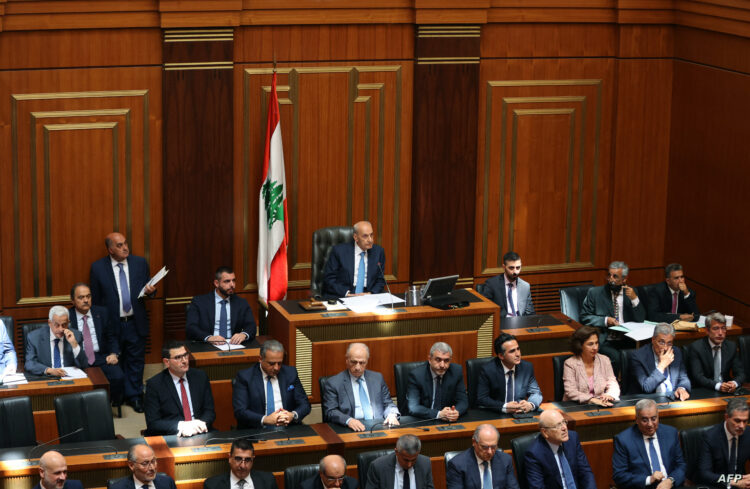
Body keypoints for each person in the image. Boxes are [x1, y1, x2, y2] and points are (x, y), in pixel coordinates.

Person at [90, 232, 155, 413]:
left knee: (136, 361)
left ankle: (134, 396)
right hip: (112, 324)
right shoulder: (98, 268)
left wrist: (151, 291)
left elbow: (148, 288)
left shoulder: (140, 263)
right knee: (115, 361)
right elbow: (95, 300)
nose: (125, 247)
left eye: (125, 243)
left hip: (135, 321)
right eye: (119, 245)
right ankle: (117, 397)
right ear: (110, 249)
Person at [580, 261, 645, 371]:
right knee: (616, 357)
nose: (611, 279)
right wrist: (605, 320)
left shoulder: (631, 293)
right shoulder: (595, 293)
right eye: (609, 275)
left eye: (615, 277)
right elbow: (584, 317)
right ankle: (613, 386)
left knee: (641, 356)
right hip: (605, 340)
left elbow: (640, 318)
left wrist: (635, 299)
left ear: (624, 279)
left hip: (628, 339)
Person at [67, 283, 125, 405]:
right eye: (81, 297)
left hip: (100, 357)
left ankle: (106, 404)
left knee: (118, 376)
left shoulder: (102, 312)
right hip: (78, 358)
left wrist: (114, 353)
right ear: (72, 300)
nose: (86, 300)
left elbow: (111, 337)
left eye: (88, 296)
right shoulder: (67, 317)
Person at [232, 339, 310, 428]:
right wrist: (265, 419)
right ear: (260, 359)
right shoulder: (245, 377)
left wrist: (292, 415)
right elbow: (240, 411)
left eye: (279, 363)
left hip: (288, 428)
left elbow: (305, 404)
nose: (276, 368)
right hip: (257, 430)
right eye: (272, 364)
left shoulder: (290, 373)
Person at [322, 342, 399, 431]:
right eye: (354, 362)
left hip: (378, 426)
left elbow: (388, 403)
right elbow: (330, 411)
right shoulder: (333, 383)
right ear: (347, 360)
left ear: (367, 362)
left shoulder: (377, 378)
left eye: (362, 363)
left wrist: (392, 414)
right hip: (351, 428)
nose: (357, 367)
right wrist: (348, 420)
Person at [144, 341, 215, 436]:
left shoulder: (200, 377)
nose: (184, 360)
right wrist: (183, 426)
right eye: (178, 357)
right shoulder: (154, 385)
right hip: (173, 433)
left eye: (185, 355)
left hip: (200, 430)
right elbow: (153, 423)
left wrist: (200, 424)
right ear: (166, 362)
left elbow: (209, 411)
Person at [612, 399, 686, 489]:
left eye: (653, 419)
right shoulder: (624, 440)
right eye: (645, 420)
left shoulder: (670, 433)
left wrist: (671, 480)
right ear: (637, 420)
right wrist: (648, 479)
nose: (650, 424)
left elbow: (681, 465)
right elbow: (619, 475)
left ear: (658, 417)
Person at [525, 409, 597, 489]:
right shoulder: (534, 454)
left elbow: (585, 472)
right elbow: (537, 487)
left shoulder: (572, 438)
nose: (564, 428)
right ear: (545, 432)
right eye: (558, 425)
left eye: (564, 422)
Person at [186, 266, 256, 345]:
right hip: (208, 345)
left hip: (233, 345)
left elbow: (251, 326)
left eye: (233, 280)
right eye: (227, 281)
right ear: (216, 283)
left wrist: (243, 334)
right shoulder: (199, 302)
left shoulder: (241, 303)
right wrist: (209, 338)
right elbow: (191, 327)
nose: (232, 285)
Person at [476, 333, 542, 413]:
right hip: (496, 414)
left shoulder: (526, 367)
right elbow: (482, 398)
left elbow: (536, 392)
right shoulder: (488, 370)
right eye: (512, 351)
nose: (518, 354)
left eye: (518, 349)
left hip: (520, 413)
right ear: (501, 356)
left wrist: (530, 404)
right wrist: (505, 406)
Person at [321, 221, 385, 299]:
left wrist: (371, 293)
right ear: (355, 237)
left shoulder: (378, 252)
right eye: (365, 236)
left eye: (371, 235)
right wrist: (347, 293)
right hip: (345, 294)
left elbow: (380, 280)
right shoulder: (339, 251)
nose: (370, 240)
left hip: (368, 296)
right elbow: (329, 279)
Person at [406, 342, 468, 421]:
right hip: (423, 420)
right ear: (429, 359)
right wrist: (439, 414)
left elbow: (463, 401)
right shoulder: (417, 375)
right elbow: (413, 407)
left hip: (448, 420)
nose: (442, 365)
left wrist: (455, 412)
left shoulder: (456, 371)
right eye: (438, 360)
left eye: (446, 361)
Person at [696, 398, 750, 488]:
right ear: (726, 417)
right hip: (717, 485)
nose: (742, 426)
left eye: (745, 421)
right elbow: (704, 473)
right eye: (737, 421)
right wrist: (732, 482)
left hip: (742, 483)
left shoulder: (748, 433)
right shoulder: (710, 437)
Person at [686, 311, 745, 393]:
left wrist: (734, 383)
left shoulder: (731, 346)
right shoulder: (696, 348)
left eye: (723, 328)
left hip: (727, 390)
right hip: (705, 390)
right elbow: (698, 376)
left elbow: (740, 373)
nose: (720, 333)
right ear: (707, 331)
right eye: (716, 328)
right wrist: (718, 386)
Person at [446, 424, 519, 489]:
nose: (490, 452)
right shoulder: (457, 465)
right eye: (485, 447)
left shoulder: (505, 460)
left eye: (493, 447)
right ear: (474, 442)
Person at [630, 323, 690, 400]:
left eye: (669, 343)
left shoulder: (676, 352)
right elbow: (646, 387)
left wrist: (682, 388)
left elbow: (684, 378)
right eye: (661, 342)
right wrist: (662, 366)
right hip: (649, 401)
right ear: (653, 340)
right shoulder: (638, 356)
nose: (665, 348)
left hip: (673, 398)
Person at [562, 325, 620, 406]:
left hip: (601, 403)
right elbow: (570, 391)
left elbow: (612, 382)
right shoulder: (570, 363)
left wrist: (610, 394)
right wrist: (592, 400)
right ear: (580, 345)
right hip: (576, 405)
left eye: (596, 343)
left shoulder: (604, 360)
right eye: (590, 344)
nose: (595, 347)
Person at [25, 305, 87, 376]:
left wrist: (74, 344)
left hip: (69, 378)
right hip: (46, 378)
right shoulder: (34, 337)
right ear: (49, 323)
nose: (61, 329)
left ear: (68, 322)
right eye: (57, 325)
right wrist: (49, 370)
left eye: (64, 325)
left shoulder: (76, 336)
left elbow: (84, 364)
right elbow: (29, 364)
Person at [366, 434, 435, 489]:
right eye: (406, 460)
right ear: (396, 452)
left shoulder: (425, 463)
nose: (409, 465)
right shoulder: (378, 467)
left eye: (413, 460)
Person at [203, 438, 278, 489]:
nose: (243, 466)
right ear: (229, 458)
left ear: (252, 460)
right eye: (238, 459)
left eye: (248, 460)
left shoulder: (268, 481)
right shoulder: (212, 486)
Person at [480, 251, 535, 317]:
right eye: (511, 268)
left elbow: (530, 313)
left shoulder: (525, 286)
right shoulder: (492, 284)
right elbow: (485, 310)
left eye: (518, 268)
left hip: (520, 322)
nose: (515, 272)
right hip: (500, 322)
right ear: (504, 267)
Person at [111, 444, 177, 489]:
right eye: (145, 463)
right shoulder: (117, 488)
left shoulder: (168, 482)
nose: (152, 468)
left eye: (153, 461)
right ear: (131, 465)